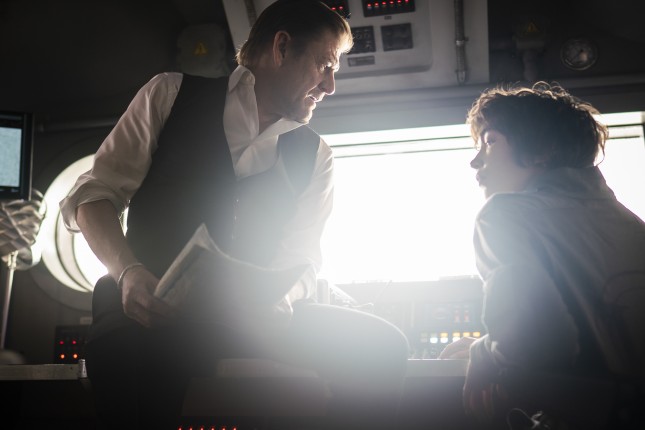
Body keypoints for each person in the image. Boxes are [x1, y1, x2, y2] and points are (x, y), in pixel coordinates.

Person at [60, 1, 409, 429]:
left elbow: (303, 258)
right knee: (124, 350)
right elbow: (93, 197)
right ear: (282, 47)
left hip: (254, 320)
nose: (331, 86)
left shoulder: (317, 156)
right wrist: (127, 273)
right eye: (325, 65)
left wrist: (280, 301)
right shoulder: (168, 94)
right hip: (150, 309)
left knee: (382, 347)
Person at [440, 82, 645, 427]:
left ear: (541, 151)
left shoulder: (503, 214)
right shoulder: (632, 224)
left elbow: (534, 344)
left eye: (490, 142)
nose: (475, 161)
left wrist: (484, 353)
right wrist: (490, 344)